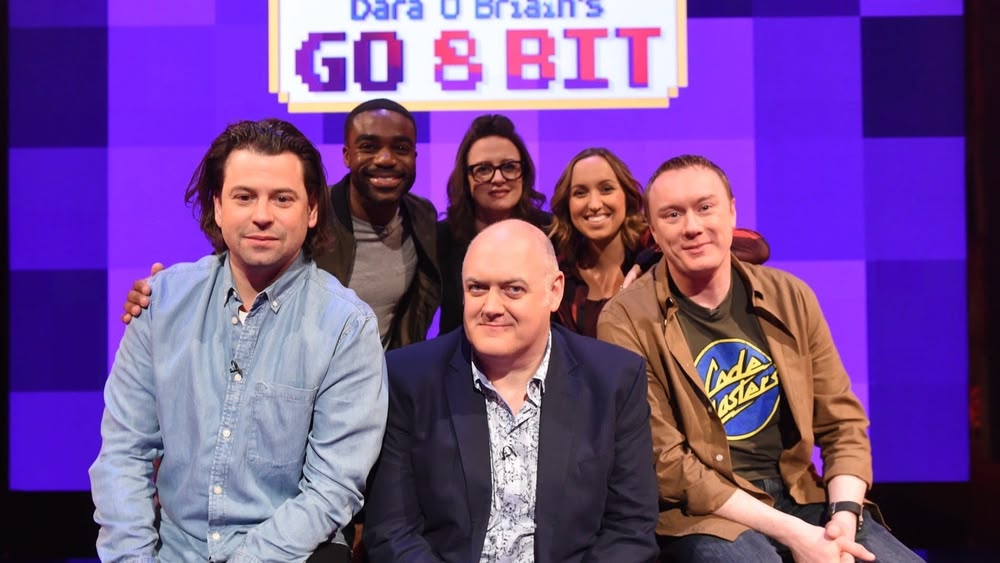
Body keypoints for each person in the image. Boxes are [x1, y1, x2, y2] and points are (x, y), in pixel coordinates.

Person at [596, 154, 923, 562]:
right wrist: (795, 535)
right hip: (705, 515)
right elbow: (667, 462)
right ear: (654, 232)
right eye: (672, 215)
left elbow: (842, 423)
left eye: (705, 207)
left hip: (802, 496)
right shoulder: (625, 318)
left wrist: (842, 519)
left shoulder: (791, 295)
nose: (692, 226)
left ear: (732, 212)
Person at [89, 119, 388, 562]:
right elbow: (123, 454)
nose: (261, 215)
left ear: (311, 211)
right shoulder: (161, 304)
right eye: (244, 197)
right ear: (218, 206)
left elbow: (331, 490)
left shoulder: (347, 327)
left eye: (282, 199)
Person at [363, 219, 659, 562]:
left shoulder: (614, 380)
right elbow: (392, 531)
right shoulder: (410, 378)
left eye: (513, 290)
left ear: (554, 291)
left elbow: (630, 528)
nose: (491, 307)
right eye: (477, 288)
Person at [121, 98, 441, 351]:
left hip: (390, 387)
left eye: (400, 148)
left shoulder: (422, 217)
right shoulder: (303, 215)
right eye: (369, 147)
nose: (385, 159)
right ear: (346, 155)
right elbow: (238, 269)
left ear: (415, 155)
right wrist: (167, 299)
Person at [548, 147, 771, 337]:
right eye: (580, 193)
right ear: (567, 203)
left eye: (606, 189)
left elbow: (755, 247)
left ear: (627, 196)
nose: (594, 204)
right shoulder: (558, 272)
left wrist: (649, 260)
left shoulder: (653, 243)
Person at [437, 114, 552, 334]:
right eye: (483, 169)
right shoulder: (440, 239)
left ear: (524, 172)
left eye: (509, 167)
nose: (498, 179)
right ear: (466, 178)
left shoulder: (551, 233)